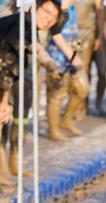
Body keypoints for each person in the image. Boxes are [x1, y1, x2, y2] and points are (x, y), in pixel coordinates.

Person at [0, 0, 61, 185]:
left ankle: (4, 171)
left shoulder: (28, 26)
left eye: (54, 17)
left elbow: (11, 67)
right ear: (34, 7)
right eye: (46, 12)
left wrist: (4, 99)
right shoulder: (21, 22)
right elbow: (16, 53)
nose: (49, 19)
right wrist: (47, 61)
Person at [45, 0, 88, 141]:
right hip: (57, 55)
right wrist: (71, 55)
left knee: (82, 89)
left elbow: (73, 30)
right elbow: (54, 32)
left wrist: (78, 49)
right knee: (57, 95)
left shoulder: (72, 5)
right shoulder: (57, 4)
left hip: (73, 52)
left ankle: (66, 120)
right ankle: (54, 130)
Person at [73, 0, 101, 120]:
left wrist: (99, 37)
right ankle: (72, 106)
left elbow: (100, 13)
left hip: (87, 32)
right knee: (71, 70)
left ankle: (81, 106)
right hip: (72, 32)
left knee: (83, 69)